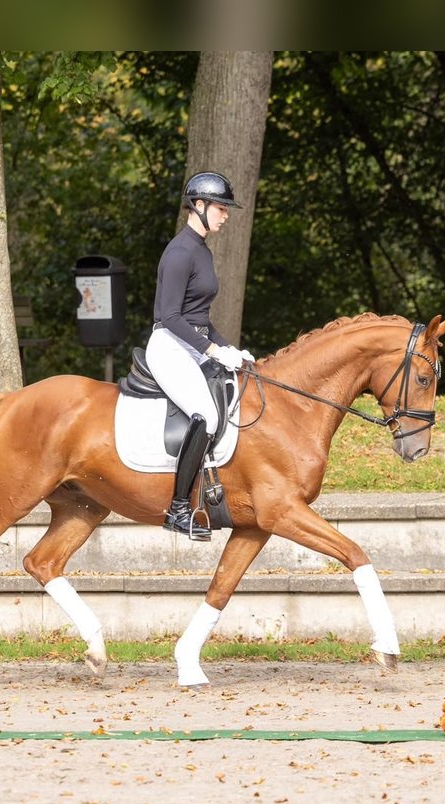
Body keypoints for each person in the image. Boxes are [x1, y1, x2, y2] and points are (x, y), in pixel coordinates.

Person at [147, 170, 254, 541]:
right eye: (221, 207)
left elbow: (201, 319)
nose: (226, 214)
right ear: (199, 205)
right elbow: (170, 316)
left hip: (192, 343)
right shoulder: (179, 252)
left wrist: (229, 349)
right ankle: (178, 509)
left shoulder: (202, 250)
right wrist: (210, 349)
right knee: (206, 415)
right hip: (170, 346)